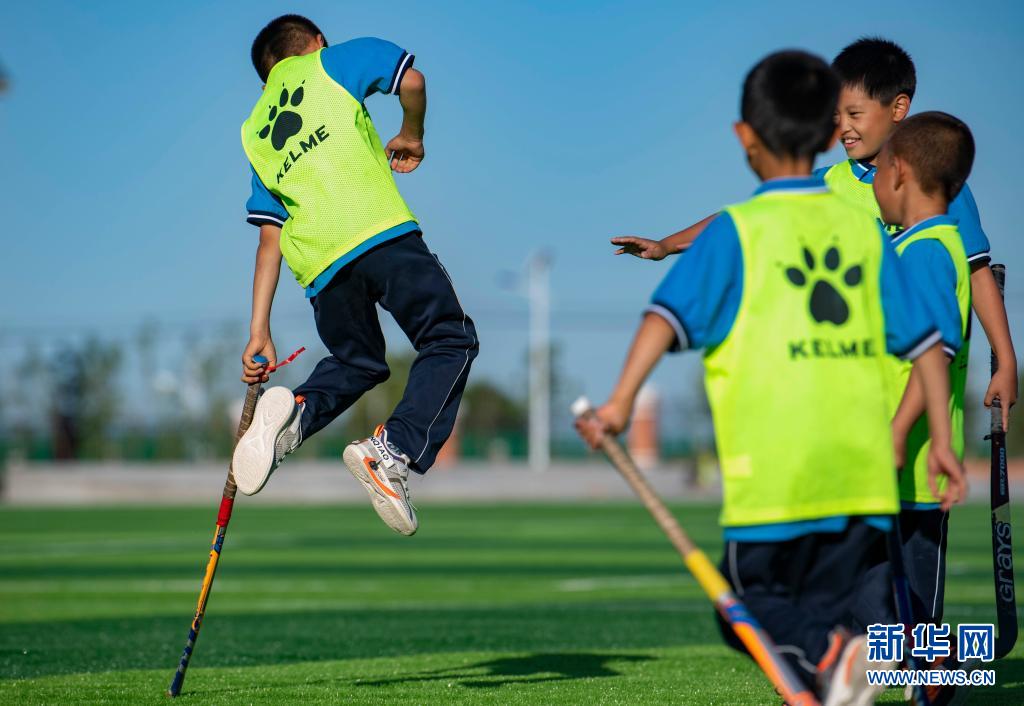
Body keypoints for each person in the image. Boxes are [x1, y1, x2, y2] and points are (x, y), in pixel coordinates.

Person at [575, 50, 966, 704]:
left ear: (744, 136)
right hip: (861, 474)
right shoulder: (865, 230)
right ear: (828, 133)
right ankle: (847, 664)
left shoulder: (739, 231)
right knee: (824, 617)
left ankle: (839, 657)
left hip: (778, 476)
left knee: (745, 609)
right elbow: (927, 342)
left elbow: (663, 318)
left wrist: (619, 402)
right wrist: (946, 444)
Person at [609, 38, 1017, 432]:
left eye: (855, 114)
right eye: (836, 116)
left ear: (899, 107)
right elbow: (749, 219)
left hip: (927, 406)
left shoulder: (939, 186)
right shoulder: (826, 184)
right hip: (858, 410)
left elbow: (977, 274)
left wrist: (1006, 360)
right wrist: (667, 245)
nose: (844, 128)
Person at [230, 15, 478, 536]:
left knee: (357, 361)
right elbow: (412, 81)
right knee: (450, 340)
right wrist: (412, 134)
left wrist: (259, 330)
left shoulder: (254, 131)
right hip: (378, 232)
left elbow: (269, 237)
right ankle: (393, 450)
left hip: (319, 265)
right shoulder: (331, 62)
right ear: (316, 42)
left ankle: (297, 413)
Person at [853, 112, 976, 702]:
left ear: (898, 172)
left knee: (902, 601)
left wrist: (898, 431)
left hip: (912, 470)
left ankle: (935, 672)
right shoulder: (922, 245)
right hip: (895, 469)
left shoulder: (927, 252)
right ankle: (908, 672)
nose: (872, 182)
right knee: (876, 594)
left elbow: (935, 351)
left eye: (876, 171)